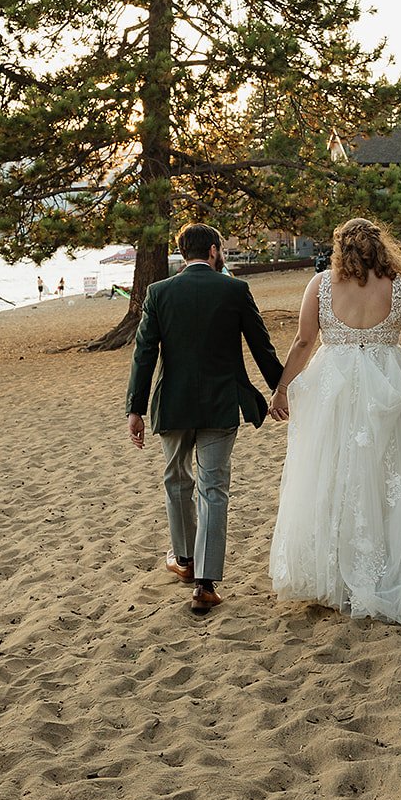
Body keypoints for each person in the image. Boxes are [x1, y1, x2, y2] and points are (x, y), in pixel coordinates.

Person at [268, 216, 401, 623]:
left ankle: (339, 569)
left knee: (333, 470)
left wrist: (281, 388)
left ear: (340, 247)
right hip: (389, 381)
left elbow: (304, 341)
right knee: (391, 471)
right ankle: (396, 561)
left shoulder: (321, 285)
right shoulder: (398, 287)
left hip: (336, 387)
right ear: (381, 247)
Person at [126, 223, 284, 615]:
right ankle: (205, 584)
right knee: (213, 488)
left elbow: (144, 353)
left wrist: (135, 408)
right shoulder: (235, 290)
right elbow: (261, 347)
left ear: (183, 253)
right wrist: (281, 391)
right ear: (214, 250)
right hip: (219, 403)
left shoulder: (159, 293)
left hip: (174, 405)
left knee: (176, 480)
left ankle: (184, 559)